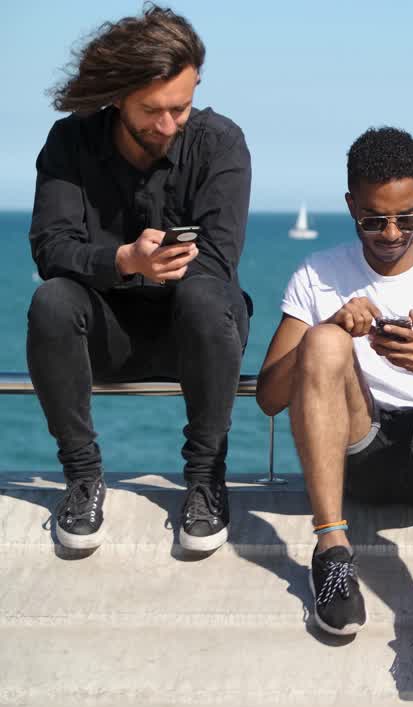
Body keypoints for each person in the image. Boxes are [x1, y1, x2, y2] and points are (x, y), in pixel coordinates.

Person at [254, 127, 413, 678]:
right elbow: (270, 398)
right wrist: (333, 325)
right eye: (374, 219)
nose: (391, 233)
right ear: (350, 206)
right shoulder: (317, 274)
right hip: (351, 457)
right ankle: (332, 553)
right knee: (320, 342)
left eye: (408, 218)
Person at [28, 6, 251, 553]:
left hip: (197, 334)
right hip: (105, 335)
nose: (169, 125)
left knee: (205, 293)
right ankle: (82, 478)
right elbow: (50, 248)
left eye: (181, 107)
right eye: (153, 111)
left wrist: (160, 268)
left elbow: (219, 260)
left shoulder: (221, 143)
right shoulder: (69, 142)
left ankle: (204, 479)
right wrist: (126, 260)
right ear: (118, 95)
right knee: (51, 300)